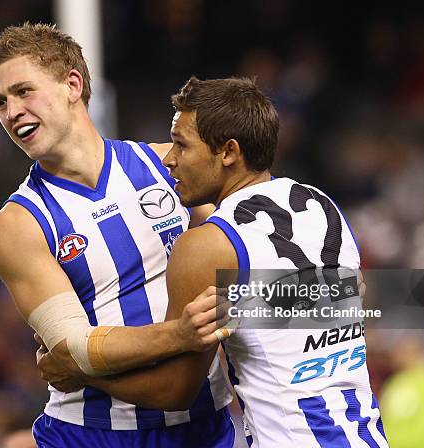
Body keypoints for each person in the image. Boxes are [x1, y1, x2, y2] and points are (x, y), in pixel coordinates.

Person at [37, 76, 388, 448]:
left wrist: (81, 373)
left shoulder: (206, 245)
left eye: (181, 145)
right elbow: (346, 296)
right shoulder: (321, 205)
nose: (169, 160)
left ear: (228, 152)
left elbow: (174, 392)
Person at [0, 23, 234, 448]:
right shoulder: (15, 224)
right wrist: (179, 334)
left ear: (72, 85)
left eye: (24, 91)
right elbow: (70, 348)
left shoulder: (168, 167)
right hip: (94, 435)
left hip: (206, 428)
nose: (11, 112)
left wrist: (331, 298)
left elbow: (244, 275)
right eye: (0, 102)